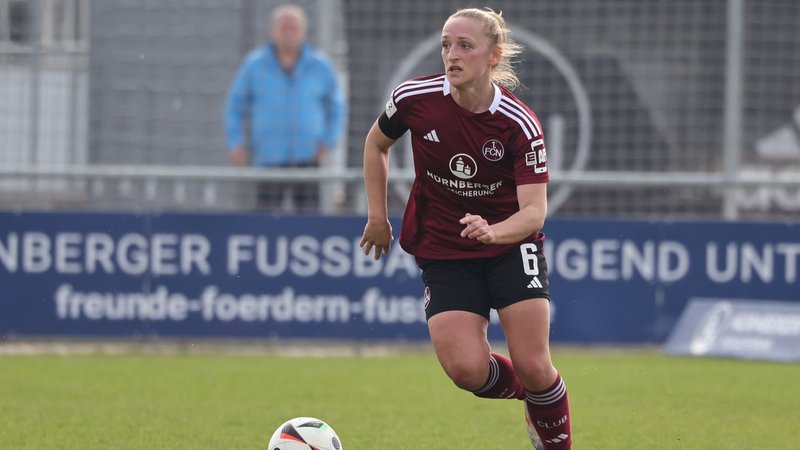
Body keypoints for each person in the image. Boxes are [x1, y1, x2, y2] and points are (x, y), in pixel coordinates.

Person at [359, 7, 571, 450]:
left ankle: (547, 415)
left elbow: (535, 212)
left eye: (464, 46)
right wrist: (378, 217)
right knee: (466, 372)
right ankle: (534, 399)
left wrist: (495, 232)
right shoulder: (414, 99)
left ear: (494, 56)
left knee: (534, 364)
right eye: (445, 45)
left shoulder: (519, 124)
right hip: (445, 249)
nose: (451, 55)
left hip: (511, 247)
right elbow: (376, 143)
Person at [225, 3, 346, 211]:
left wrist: (328, 141)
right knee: (266, 220)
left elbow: (336, 108)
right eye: (284, 27)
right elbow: (235, 106)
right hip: (269, 158)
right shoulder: (254, 66)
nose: (289, 33)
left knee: (308, 220)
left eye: (294, 28)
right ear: (273, 31)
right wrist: (235, 142)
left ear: (304, 32)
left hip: (308, 159)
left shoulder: (320, 66)